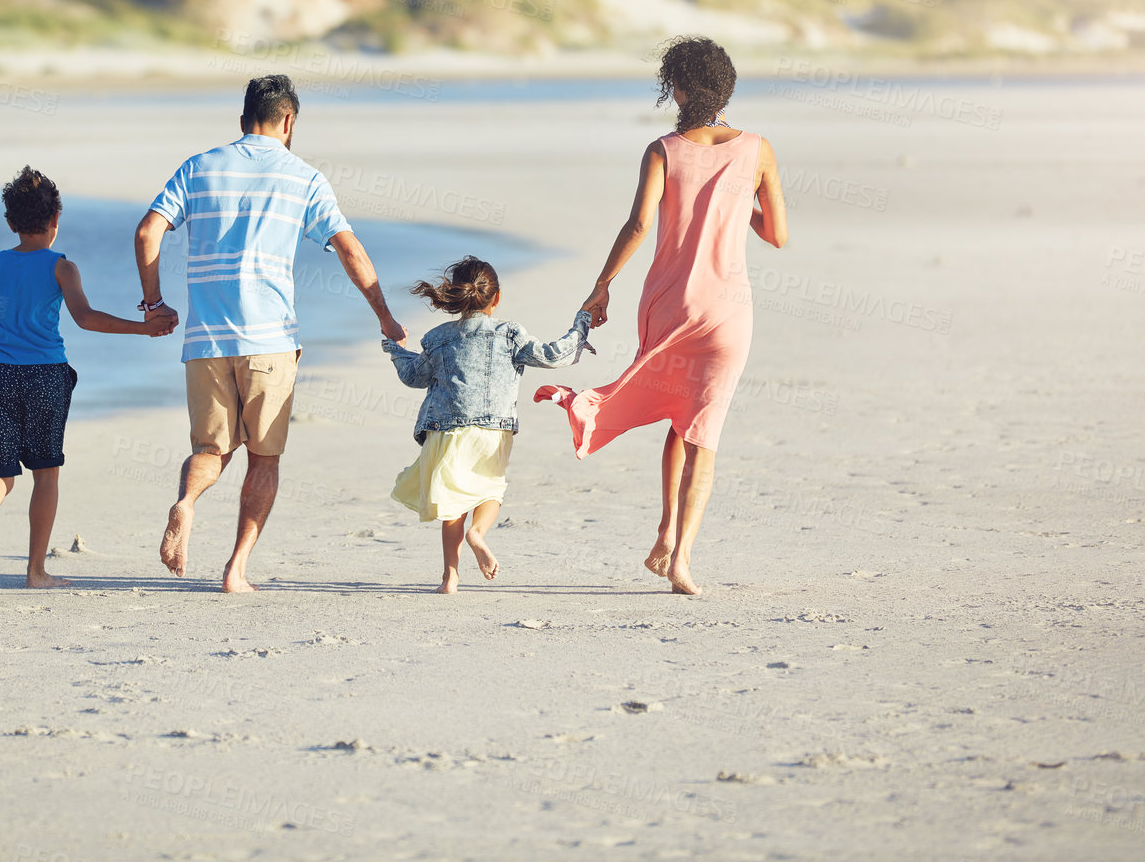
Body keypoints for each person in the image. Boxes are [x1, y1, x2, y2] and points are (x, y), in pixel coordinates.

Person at [535, 36, 788, 596]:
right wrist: (737, 201)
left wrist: (600, 288)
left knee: (680, 415)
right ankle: (681, 556)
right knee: (703, 427)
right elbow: (778, 235)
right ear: (727, 89)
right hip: (728, 312)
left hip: (669, 304)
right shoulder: (759, 149)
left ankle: (664, 529)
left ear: (675, 88)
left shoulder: (662, 150)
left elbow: (638, 226)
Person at [135, 74, 407, 593]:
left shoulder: (198, 167)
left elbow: (148, 231)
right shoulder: (303, 176)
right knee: (264, 458)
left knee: (211, 450)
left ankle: (186, 503)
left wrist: (153, 304)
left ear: (242, 121)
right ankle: (235, 569)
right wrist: (384, 316)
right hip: (270, 341)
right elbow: (350, 249)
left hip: (206, 341)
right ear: (289, 122)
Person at [0, 166, 174, 585]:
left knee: (1, 472)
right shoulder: (61, 267)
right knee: (45, 474)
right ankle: (36, 571)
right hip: (46, 377)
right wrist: (144, 327)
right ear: (55, 221)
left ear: (12, 223)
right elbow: (86, 319)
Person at [383, 257, 592, 593]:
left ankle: (450, 577)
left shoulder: (437, 338)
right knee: (491, 491)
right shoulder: (509, 334)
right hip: (494, 432)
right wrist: (581, 326)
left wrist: (396, 348)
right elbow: (555, 356)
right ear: (496, 298)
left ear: (454, 296)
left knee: (453, 504)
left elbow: (413, 376)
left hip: (446, 432)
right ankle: (478, 533)